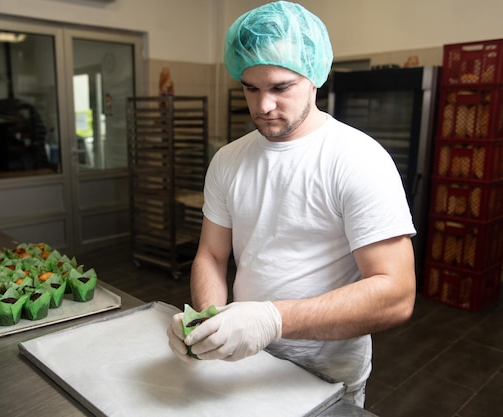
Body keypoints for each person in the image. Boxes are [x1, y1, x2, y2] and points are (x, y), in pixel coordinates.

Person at [166, 1, 416, 408]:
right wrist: (209, 322)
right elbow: (212, 254)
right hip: (246, 364)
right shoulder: (228, 160)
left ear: (315, 77)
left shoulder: (357, 159)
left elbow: (396, 293)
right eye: (251, 88)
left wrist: (271, 320)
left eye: (280, 88)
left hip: (324, 378)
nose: (262, 106)